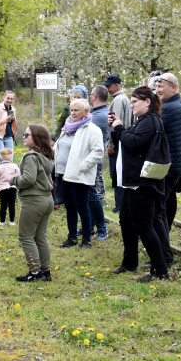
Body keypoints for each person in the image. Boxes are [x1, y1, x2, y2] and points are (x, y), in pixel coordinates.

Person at [110, 86, 171, 283]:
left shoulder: (150, 121)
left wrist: (119, 127)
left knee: (144, 226)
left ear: (147, 102)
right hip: (133, 182)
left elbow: (133, 142)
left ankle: (160, 270)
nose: (132, 105)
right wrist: (118, 129)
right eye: (131, 101)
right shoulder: (143, 121)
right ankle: (130, 262)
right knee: (126, 221)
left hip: (143, 183)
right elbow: (130, 140)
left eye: (135, 101)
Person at [55, 98, 106, 249]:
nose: (73, 113)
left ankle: (87, 240)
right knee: (70, 208)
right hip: (63, 174)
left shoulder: (92, 129)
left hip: (79, 176)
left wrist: (82, 166)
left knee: (83, 208)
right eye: (71, 110)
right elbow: (60, 146)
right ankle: (72, 238)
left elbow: (98, 152)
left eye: (76, 110)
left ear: (86, 112)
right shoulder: (68, 127)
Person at [155, 73, 181, 265]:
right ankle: (163, 250)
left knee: (159, 211)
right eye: (157, 87)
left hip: (168, 166)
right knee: (167, 204)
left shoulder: (169, 108)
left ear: (174, 87)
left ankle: (163, 255)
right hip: (177, 164)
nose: (158, 90)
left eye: (162, 86)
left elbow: (155, 132)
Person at [10, 124, 55, 282]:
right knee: (40, 236)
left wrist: (13, 180)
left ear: (36, 138)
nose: (23, 137)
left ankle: (35, 272)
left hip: (34, 200)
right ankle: (45, 271)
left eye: (26, 134)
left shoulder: (31, 157)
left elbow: (29, 179)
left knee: (26, 236)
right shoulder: (45, 156)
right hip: (47, 200)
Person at [104, 75, 131, 214]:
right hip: (123, 140)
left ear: (116, 85)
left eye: (109, 86)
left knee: (117, 174)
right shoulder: (123, 98)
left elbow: (116, 123)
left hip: (118, 142)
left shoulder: (119, 100)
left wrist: (111, 144)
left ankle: (120, 206)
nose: (108, 89)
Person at [87, 85, 111, 240]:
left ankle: (101, 227)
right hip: (93, 159)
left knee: (91, 194)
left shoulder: (97, 116)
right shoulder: (99, 113)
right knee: (88, 194)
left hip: (92, 161)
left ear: (94, 96)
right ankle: (91, 226)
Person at [0, 148, 21, 227]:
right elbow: (18, 177)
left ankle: (2, 221)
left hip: (2, 189)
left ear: (1, 157)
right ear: (11, 157)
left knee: (3, 205)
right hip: (12, 188)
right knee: (12, 205)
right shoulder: (15, 166)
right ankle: (12, 221)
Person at [0, 90, 17, 165]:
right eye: (8, 98)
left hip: (9, 136)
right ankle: (0, 175)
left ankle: (9, 176)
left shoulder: (13, 109)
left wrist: (14, 133)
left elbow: (13, 123)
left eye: (11, 99)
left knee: (9, 159)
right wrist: (6, 119)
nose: (10, 100)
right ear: (4, 97)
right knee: (2, 159)